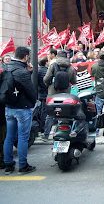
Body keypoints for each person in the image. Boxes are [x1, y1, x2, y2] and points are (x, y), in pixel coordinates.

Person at [3, 47, 36, 175]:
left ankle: (8, 165)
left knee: (9, 136)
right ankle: (23, 165)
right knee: (23, 137)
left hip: (9, 107)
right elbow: (31, 91)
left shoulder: (6, 67)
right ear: (26, 57)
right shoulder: (22, 71)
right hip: (22, 108)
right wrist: (33, 103)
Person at [43, 51, 77, 140]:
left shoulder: (53, 65)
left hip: (52, 93)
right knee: (64, 112)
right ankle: (63, 134)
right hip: (65, 94)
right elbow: (74, 81)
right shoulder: (71, 67)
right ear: (67, 57)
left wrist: (49, 85)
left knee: (50, 113)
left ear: (57, 56)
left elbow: (46, 78)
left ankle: (46, 135)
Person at [37, 57, 49, 133]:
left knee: (41, 111)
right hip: (44, 93)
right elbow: (46, 83)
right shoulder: (45, 71)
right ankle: (42, 127)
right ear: (46, 62)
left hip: (40, 93)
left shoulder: (38, 70)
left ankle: (41, 127)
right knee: (44, 112)